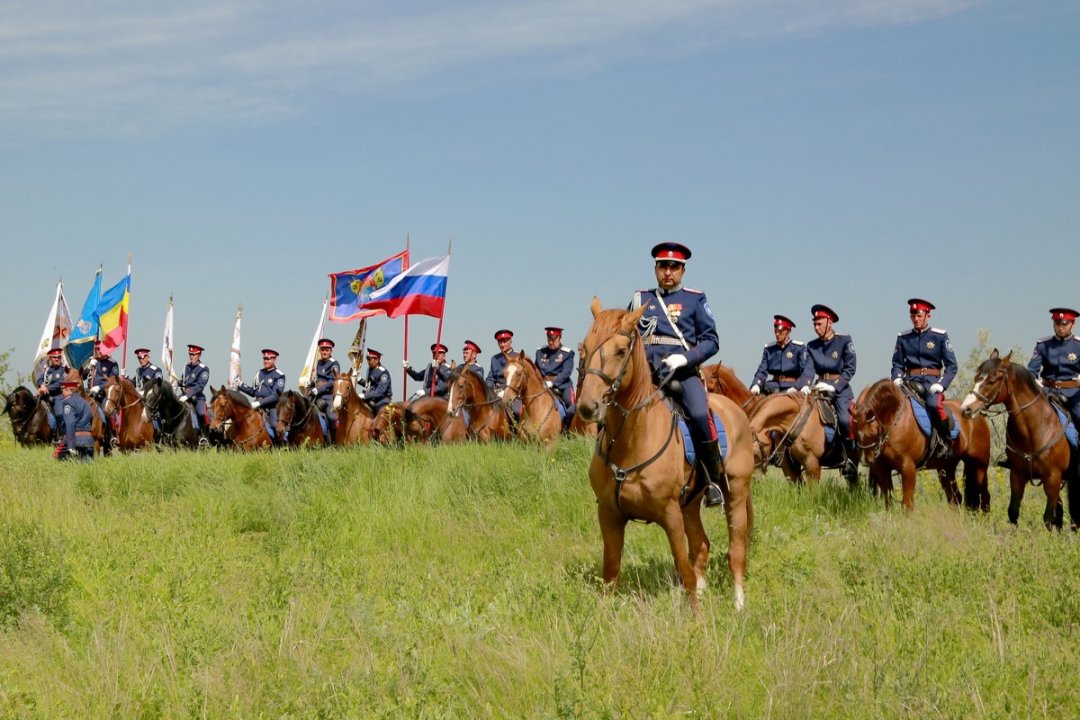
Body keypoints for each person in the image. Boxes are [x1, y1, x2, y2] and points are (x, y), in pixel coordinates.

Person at [629, 242, 725, 508]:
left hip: (681, 375)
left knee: (697, 414)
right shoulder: (640, 300)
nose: (668, 272)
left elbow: (711, 341)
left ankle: (712, 481)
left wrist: (685, 357)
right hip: (646, 376)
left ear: (682, 270)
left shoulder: (695, 299)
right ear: (655, 268)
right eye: (663, 266)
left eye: (674, 267)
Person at [795, 304, 858, 481]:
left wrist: (835, 386)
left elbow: (850, 368)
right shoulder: (812, 346)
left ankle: (849, 459)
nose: (817, 327)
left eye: (820, 323)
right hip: (819, 388)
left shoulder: (844, 340)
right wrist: (806, 384)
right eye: (814, 324)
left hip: (840, 390)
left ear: (829, 322)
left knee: (845, 420)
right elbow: (809, 370)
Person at [891, 298, 958, 440]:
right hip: (909, 381)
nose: (916, 319)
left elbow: (952, 366)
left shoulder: (939, 336)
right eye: (913, 316)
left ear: (928, 315)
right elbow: (897, 364)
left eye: (919, 316)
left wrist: (941, 383)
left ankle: (946, 441)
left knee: (934, 405)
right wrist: (897, 377)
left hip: (931, 382)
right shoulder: (903, 338)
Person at [1028, 307, 1080, 431]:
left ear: (1072, 324)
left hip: (1073, 395)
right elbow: (1032, 371)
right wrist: (1034, 382)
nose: (1060, 327)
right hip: (1047, 392)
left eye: (1064, 324)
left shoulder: (1078, 345)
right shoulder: (1043, 345)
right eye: (1057, 324)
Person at [750, 315, 806, 396]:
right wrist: (756, 384)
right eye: (775, 331)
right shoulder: (769, 349)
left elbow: (805, 371)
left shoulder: (799, 348)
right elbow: (762, 371)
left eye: (780, 331)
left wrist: (799, 386)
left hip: (792, 387)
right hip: (772, 387)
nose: (777, 334)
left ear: (788, 330)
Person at [238, 348, 285, 440]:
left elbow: (276, 395)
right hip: (256, 404)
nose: (266, 361)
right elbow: (253, 392)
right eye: (264, 359)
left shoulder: (279, 375)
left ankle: (282, 446)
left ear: (274, 359)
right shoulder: (259, 373)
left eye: (268, 359)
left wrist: (260, 403)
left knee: (275, 425)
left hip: (271, 407)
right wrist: (240, 385)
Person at [535, 326, 576, 427]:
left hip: (562, 385)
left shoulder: (567, 353)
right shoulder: (540, 352)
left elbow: (566, 373)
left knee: (571, 407)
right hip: (543, 385)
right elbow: (536, 371)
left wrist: (553, 383)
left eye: (553, 339)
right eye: (549, 339)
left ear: (559, 337)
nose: (551, 342)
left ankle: (568, 430)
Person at [58, 379, 94, 461]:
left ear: (68, 390)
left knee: (60, 467)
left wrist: (70, 446)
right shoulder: (86, 403)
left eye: (62, 390)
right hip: (88, 441)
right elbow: (91, 418)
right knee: (87, 471)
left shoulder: (68, 402)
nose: (62, 394)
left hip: (74, 441)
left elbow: (70, 423)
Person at [37, 347, 69, 438]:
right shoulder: (47, 370)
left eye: (58, 357)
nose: (56, 359)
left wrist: (46, 388)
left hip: (58, 397)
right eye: (54, 357)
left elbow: (60, 384)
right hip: (45, 397)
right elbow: (39, 379)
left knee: (59, 416)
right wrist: (42, 385)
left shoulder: (63, 370)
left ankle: (61, 436)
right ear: (50, 358)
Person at [308, 338, 341, 424]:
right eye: (322, 350)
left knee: (332, 418)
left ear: (331, 351)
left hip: (328, 396)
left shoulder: (334, 364)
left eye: (327, 350)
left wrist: (318, 390)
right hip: (315, 395)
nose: (324, 352)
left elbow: (333, 381)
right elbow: (318, 378)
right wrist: (312, 384)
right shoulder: (318, 362)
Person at [179, 344, 211, 432]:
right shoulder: (186, 366)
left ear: (199, 355)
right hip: (183, 394)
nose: (191, 357)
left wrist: (187, 396)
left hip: (197, 397)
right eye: (190, 354)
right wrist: (179, 382)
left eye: (194, 354)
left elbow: (200, 386)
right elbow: (184, 381)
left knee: (202, 414)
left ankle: (204, 437)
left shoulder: (203, 369)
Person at [488, 329, 519, 396]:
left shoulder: (517, 357)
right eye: (500, 342)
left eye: (504, 341)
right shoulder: (495, 359)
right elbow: (491, 378)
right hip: (497, 393)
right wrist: (488, 389)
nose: (502, 345)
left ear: (510, 341)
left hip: (513, 393)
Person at [362, 349, 393, 415]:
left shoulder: (383, 373)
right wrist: (359, 380)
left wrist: (365, 396)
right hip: (370, 398)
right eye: (367, 359)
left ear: (377, 360)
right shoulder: (370, 369)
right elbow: (369, 385)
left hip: (382, 400)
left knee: (379, 416)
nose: (368, 361)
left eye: (369, 359)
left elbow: (380, 392)